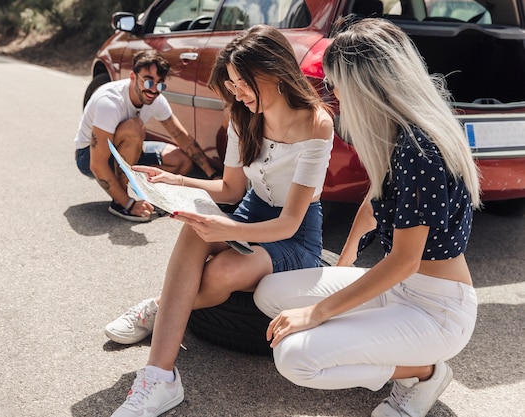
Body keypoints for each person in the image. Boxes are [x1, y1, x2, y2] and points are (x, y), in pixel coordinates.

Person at [253, 17, 481, 417]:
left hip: (437, 310)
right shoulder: (395, 133)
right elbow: (375, 201)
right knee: (269, 292)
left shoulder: (419, 148)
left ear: (366, 84)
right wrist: (345, 260)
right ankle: (364, 342)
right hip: (400, 289)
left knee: (294, 358)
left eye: (336, 82)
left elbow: (406, 259)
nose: (333, 93)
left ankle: (422, 372)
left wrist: (321, 310)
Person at [108, 24, 334, 416]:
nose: (237, 93)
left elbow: (291, 222)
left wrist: (229, 229)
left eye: (243, 84)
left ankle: (160, 307)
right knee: (193, 227)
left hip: (295, 237)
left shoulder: (316, 123)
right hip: (251, 213)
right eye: (231, 85)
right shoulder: (244, 115)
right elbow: (231, 189)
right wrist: (173, 180)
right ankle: (160, 378)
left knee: (222, 275)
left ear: (274, 72)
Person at [74, 50, 219, 222]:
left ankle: (144, 193)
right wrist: (128, 203)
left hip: (125, 149)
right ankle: (120, 203)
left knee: (181, 161)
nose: (153, 89)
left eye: (160, 84)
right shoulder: (110, 102)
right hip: (89, 156)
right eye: (148, 80)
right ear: (133, 77)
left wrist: (212, 174)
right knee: (135, 128)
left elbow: (180, 135)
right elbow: (97, 164)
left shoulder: (155, 99)